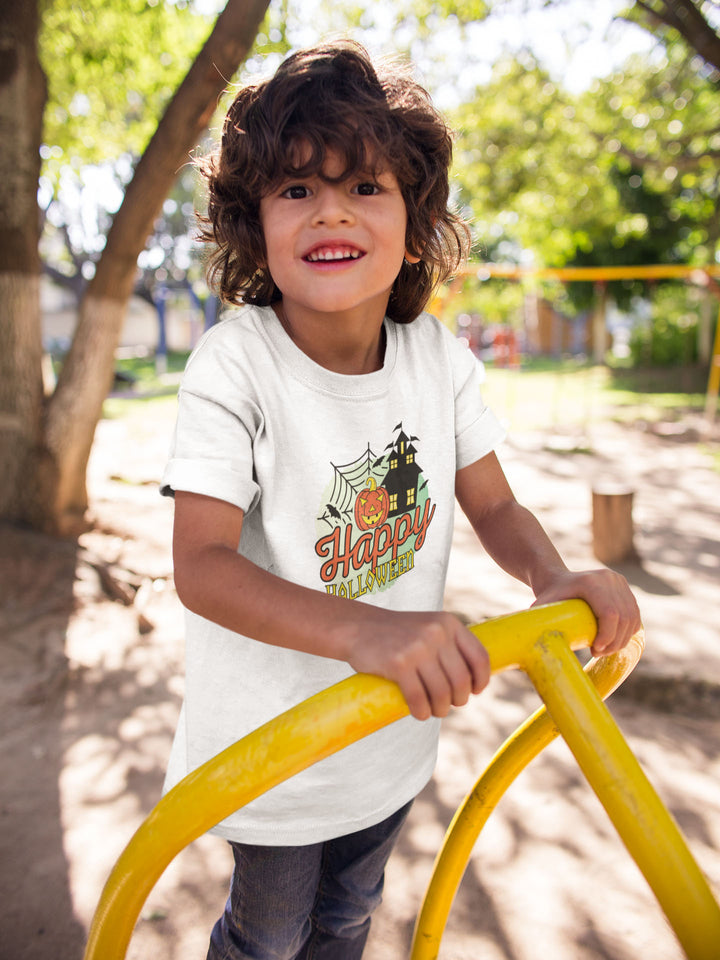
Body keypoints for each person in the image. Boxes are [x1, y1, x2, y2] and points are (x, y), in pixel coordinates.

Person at [160, 39, 641, 960]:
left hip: (389, 737)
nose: (329, 210)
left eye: (365, 187)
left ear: (415, 225)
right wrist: (365, 631)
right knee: (269, 937)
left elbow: (495, 509)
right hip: (278, 752)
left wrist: (552, 574)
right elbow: (202, 566)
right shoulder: (237, 363)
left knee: (347, 921)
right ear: (254, 222)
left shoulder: (439, 362)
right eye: (296, 190)